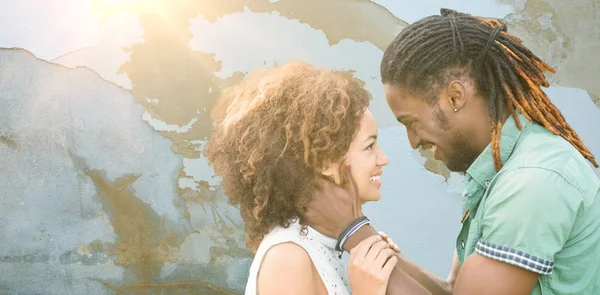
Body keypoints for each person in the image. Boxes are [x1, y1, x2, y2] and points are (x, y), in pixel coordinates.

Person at [304, 8, 600, 295]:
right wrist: (373, 246)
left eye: (412, 123)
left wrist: (353, 232)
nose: (412, 141)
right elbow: (452, 290)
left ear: (455, 96)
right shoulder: (495, 171)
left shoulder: (532, 182)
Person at [203, 61, 422, 295]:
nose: (383, 158)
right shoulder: (288, 258)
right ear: (324, 161)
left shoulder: (325, 245)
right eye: (370, 146)